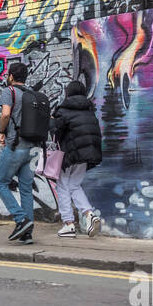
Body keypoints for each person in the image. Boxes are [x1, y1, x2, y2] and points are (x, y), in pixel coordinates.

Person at [0, 61, 38, 244]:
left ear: (11, 76)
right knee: (26, 189)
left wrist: (2, 132)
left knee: (0, 183)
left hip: (16, 146)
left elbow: (5, 115)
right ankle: (27, 233)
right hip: (33, 149)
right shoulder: (32, 94)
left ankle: (21, 220)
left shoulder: (9, 92)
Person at [51, 80, 103, 237]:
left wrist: (50, 121)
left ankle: (68, 224)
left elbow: (56, 132)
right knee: (74, 185)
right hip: (87, 154)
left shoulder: (63, 110)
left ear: (68, 93)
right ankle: (89, 214)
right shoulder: (89, 111)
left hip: (70, 154)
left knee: (62, 185)